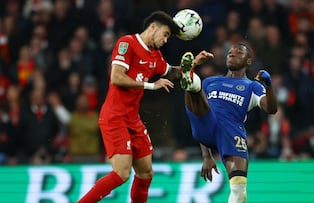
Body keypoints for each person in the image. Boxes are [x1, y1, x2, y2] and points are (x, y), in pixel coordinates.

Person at [77, 11, 213, 203]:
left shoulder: (155, 56)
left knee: (146, 172)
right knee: (122, 173)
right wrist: (151, 85)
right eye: (165, 34)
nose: (166, 40)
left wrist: (194, 64)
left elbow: (171, 72)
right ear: (153, 27)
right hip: (114, 116)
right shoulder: (127, 43)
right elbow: (116, 77)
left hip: (133, 119)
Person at [179, 41, 278, 203]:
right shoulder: (210, 82)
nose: (232, 54)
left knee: (239, 190)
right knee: (200, 100)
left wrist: (268, 85)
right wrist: (206, 156)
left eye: (238, 52)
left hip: (231, 132)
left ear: (248, 61)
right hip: (206, 123)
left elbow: (271, 109)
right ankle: (190, 79)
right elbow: (202, 116)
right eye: (230, 52)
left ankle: (191, 81)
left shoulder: (252, 86)